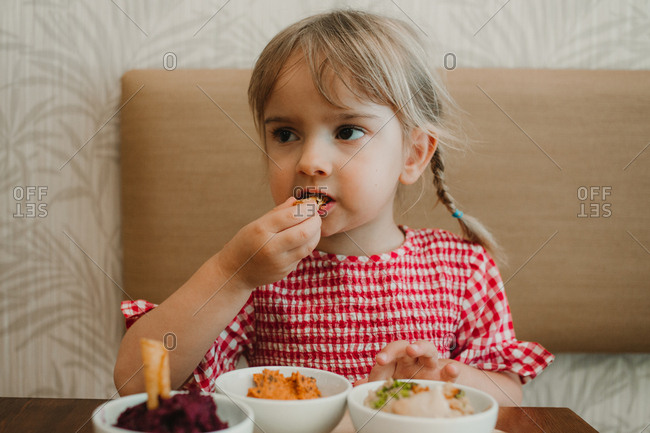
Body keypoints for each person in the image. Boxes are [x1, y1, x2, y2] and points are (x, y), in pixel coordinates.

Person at [114, 9, 553, 405]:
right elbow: (136, 379)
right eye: (285, 134)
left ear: (413, 154)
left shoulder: (463, 269)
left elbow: (509, 398)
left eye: (347, 131)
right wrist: (232, 273)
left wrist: (448, 379)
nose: (309, 162)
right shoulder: (258, 273)